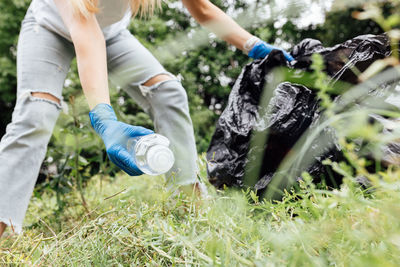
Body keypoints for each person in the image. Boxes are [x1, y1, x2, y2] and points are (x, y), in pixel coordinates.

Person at [0, 0, 293, 237]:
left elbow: (201, 8)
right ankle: (3, 225)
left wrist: (255, 46)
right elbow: (85, 34)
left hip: (110, 33)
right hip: (48, 29)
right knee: (37, 112)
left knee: (168, 91)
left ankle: (189, 204)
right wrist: (104, 118)